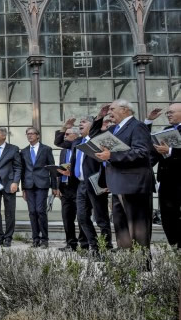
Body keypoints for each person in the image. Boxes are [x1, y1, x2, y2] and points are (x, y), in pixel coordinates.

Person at [95, 100, 156, 254]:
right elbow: (94, 136)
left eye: (112, 109)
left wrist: (112, 155)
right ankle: (127, 264)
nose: (109, 112)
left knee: (137, 228)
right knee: (121, 227)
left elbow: (142, 152)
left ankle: (141, 266)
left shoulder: (137, 126)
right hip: (117, 184)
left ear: (125, 109)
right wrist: (98, 118)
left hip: (134, 184)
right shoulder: (115, 128)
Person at [68, 113, 113, 254]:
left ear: (93, 125)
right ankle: (93, 245)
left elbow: (106, 163)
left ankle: (106, 247)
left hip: (96, 183)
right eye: (79, 122)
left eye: (84, 122)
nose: (80, 124)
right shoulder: (77, 142)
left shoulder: (97, 139)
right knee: (81, 217)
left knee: (101, 218)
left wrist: (107, 182)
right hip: (81, 185)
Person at [20, 127, 59, 248]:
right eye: (28, 134)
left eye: (32, 133)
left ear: (38, 136)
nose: (30, 136)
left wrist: (54, 186)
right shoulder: (24, 151)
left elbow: (52, 168)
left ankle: (44, 239)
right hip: (29, 185)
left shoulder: (46, 149)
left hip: (42, 184)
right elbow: (22, 171)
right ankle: (35, 239)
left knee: (40, 211)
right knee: (32, 212)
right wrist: (23, 189)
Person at [149, 103, 181, 250]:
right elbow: (154, 154)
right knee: (168, 217)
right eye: (167, 112)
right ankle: (174, 246)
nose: (168, 114)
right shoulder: (166, 130)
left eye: (171, 112)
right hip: (166, 181)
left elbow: (169, 151)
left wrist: (170, 151)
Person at [55, 126, 87, 252]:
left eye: (67, 134)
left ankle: (84, 244)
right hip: (64, 188)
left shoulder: (78, 147)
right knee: (67, 218)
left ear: (75, 136)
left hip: (77, 187)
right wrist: (58, 186)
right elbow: (61, 169)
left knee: (81, 217)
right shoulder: (64, 151)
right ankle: (71, 244)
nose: (65, 136)